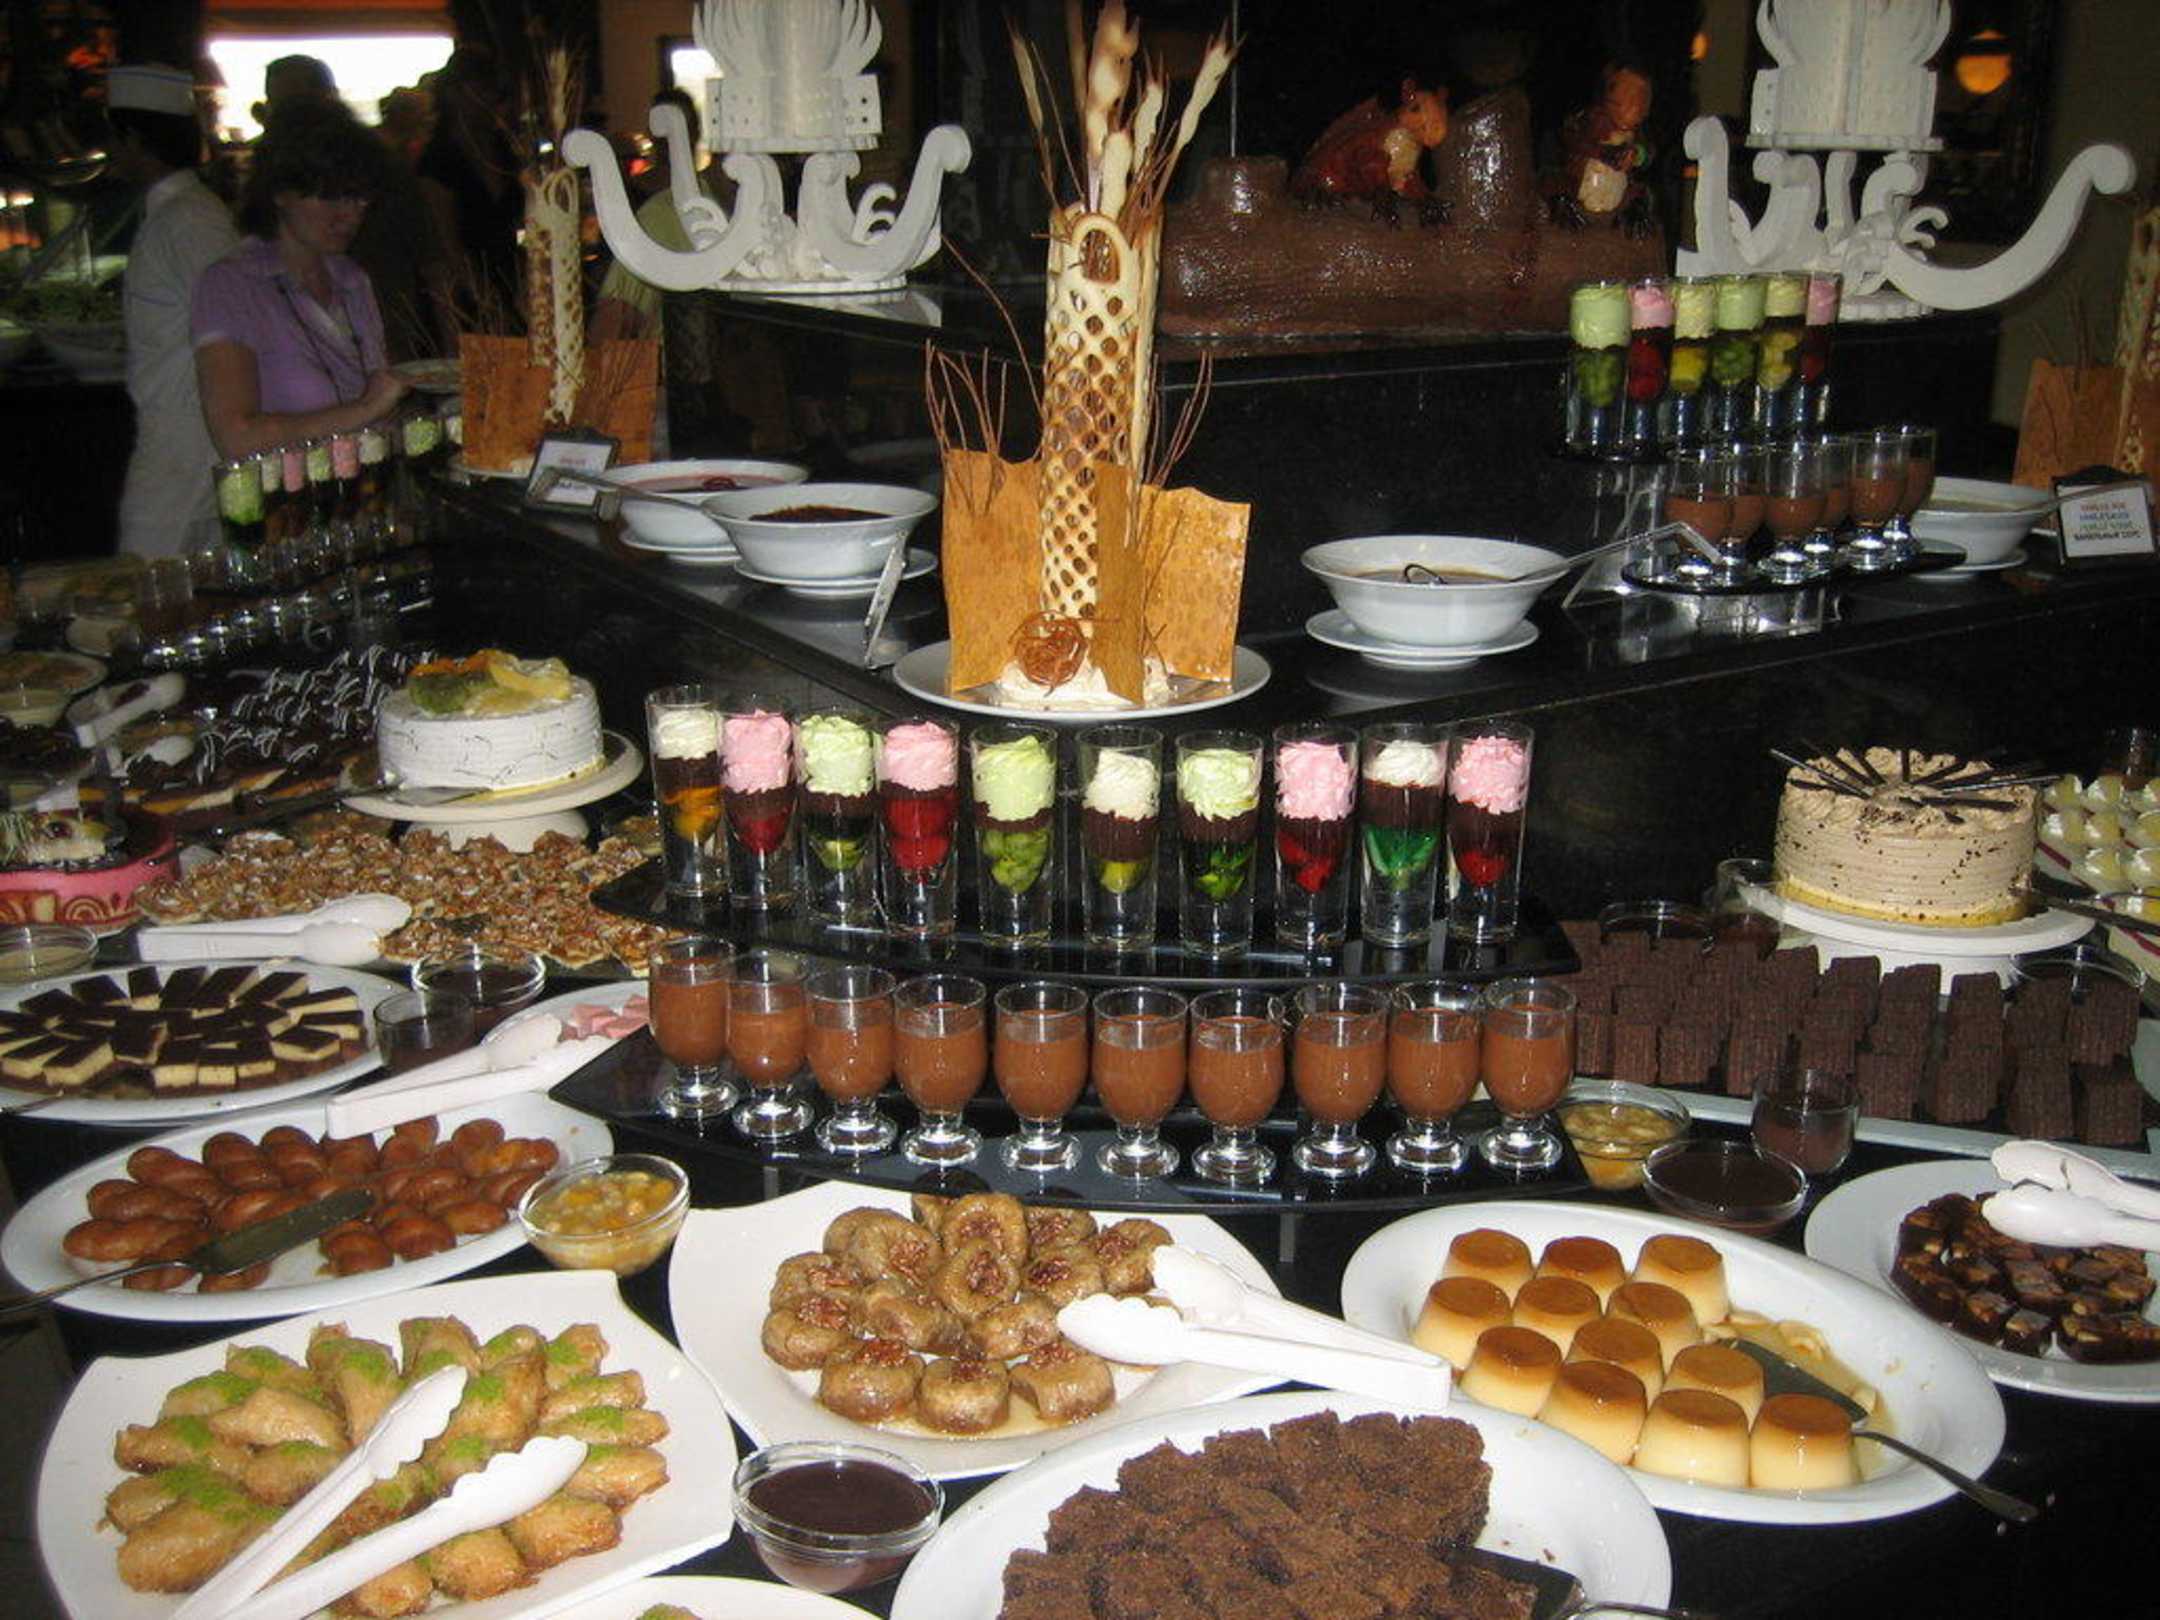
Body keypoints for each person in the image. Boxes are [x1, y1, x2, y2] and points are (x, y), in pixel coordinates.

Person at [191, 97, 408, 459]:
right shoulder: (231, 284)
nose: (350, 216)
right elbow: (236, 438)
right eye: (331, 197)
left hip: (365, 485)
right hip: (288, 493)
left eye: (360, 199)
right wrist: (366, 408)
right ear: (280, 193)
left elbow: (382, 414)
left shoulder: (351, 279)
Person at [109, 62, 240, 559]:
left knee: (147, 576)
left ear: (134, 139)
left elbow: (236, 324)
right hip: (179, 435)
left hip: (187, 442)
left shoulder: (189, 218)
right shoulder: (180, 211)